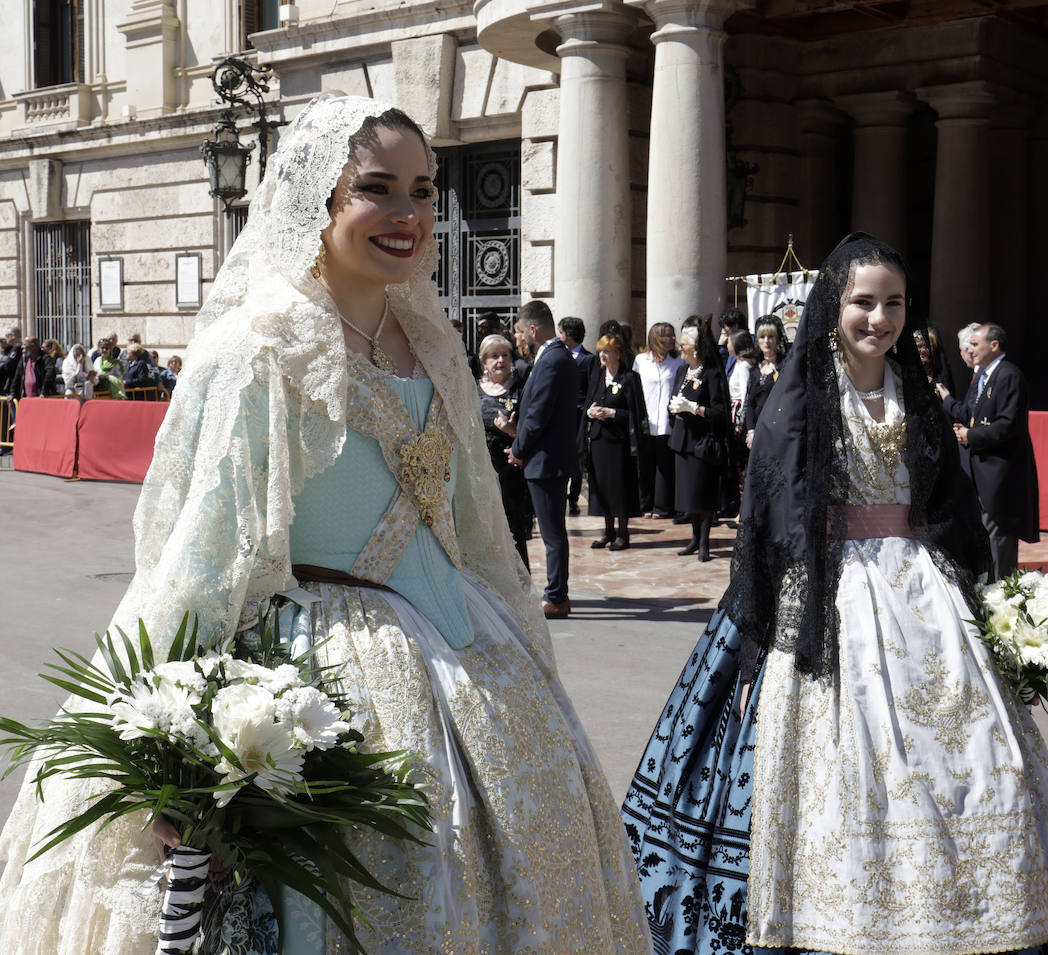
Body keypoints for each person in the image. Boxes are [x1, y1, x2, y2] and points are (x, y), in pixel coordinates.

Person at [0, 95, 648, 955]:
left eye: (421, 189)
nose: (408, 214)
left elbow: (474, 533)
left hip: (472, 652)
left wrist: (521, 643)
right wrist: (172, 754)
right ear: (320, 200)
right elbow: (206, 554)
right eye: (376, 189)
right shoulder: (262, 346)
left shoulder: (432, 340)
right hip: (327, 661)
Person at [622, 233, 1048, 955]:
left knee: (979, 767)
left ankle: (971, 916)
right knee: (846, 773)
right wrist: (760, 646)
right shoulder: (800, 402)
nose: (879, 317)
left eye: (893, 303)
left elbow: (952, 510)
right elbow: (769, 527)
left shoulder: (921, 397)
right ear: (833, 305)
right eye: (863, 302)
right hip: (829, 599)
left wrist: (998, 617)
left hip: (928, 605)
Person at [936, 323, 1040, 580]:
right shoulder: (984, 376)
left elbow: (1008, 425)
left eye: (975, 344)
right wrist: (948, 401)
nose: (970, 350)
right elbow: (972, 414)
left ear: (994, 345)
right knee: (982, 534)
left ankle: (1000, 595)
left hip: (999, 474)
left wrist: (970, 435)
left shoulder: (1008, 376)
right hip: (980, 472)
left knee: (998, 536)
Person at [508, 299, 581, 619]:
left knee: (552, 534)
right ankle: (557, 593)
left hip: (547, 460)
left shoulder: (552, 359)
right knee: (553, 532)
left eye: (520, 331)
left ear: (533, 329)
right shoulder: (553, 356)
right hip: (546, 458)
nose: (518, 338)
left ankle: (556, 596)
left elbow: (539, 413)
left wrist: (518, 448)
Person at [666, 321, 729, 561]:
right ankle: (693, 539)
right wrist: (672, 408)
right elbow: (675, 397)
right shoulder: (682, 371)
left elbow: (719, 412)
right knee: (688, 496)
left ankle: (704, 543)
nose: (680, 347)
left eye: (684, 344)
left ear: (696, 348)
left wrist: (695, 408)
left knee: (703, 495)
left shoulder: (711, 372)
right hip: (682, 440)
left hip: (703, 443)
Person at [582, 332, 647, 550]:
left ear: (618, 354)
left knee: (620, 487)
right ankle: (607, 532)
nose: (602, 355)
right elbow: (587, 405)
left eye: (607, 351)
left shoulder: (630, 379)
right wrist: (591, 413)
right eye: (600, 350)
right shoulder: (597, 376)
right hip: (600, 441)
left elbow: (636, 414)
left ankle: (623, 533)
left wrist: (612, 412)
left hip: (620, 443)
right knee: (602, 488)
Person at [477, 332, 534, 568]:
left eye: (505, 355)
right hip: (482, 470)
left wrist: (513, 431)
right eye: (494, 356)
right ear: (484, 361)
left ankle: (521, 588)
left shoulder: (522, 388)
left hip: (512, 471)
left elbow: (533, 426)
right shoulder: (473, 389)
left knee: (514, 532)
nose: (500, 360)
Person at [633, 321, 684, 517]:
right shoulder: (641, 360)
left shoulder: (678, 361)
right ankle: (645, 505)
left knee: (665, 465)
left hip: (667, 421)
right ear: (656, 338)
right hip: (647, 420)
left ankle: (663, 506)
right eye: (668, 335)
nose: (672, 339)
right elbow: (636, 389)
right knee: (645, 465)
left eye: (673, 335)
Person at [559, 315, 594, 515]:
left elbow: (590, 388)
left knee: (577, 458)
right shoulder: (557, 356)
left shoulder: (588, 359)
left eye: (561, 332)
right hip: (562, 416)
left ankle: (573, 498)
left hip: (579, 416)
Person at [723, 328, 757, 518]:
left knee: (743, 466)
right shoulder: (738, 364)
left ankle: (744, 511)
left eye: (729, 341)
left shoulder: (744, 367)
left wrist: (740, 422)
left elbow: (745, 395)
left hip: (739, 418)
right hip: (733, 413)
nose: (727, 345)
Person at [742, 315, 787, 450]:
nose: (766, 341)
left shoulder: (784, 366)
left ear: (777, 339)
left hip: (778, 431)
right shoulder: (755, 369)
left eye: (770, 336)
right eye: (762, 337)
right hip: (757, 431)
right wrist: (750, 431)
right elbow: (750, 403)